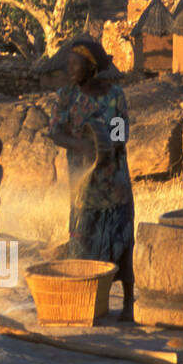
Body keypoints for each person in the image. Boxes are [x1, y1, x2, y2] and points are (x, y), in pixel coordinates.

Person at [48, 37, 136, 322]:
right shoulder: (66, 96)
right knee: (82, 240)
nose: (70, 68)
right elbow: (56, 132)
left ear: (91, 66)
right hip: (83, 186)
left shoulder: (115, 95)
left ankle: (127, 305)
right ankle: (85, 304)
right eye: (69, 64)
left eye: (75, 64)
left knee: (121, 242)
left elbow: (121, 133)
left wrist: (108, 148)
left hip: (114, 183)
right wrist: (84, 147)